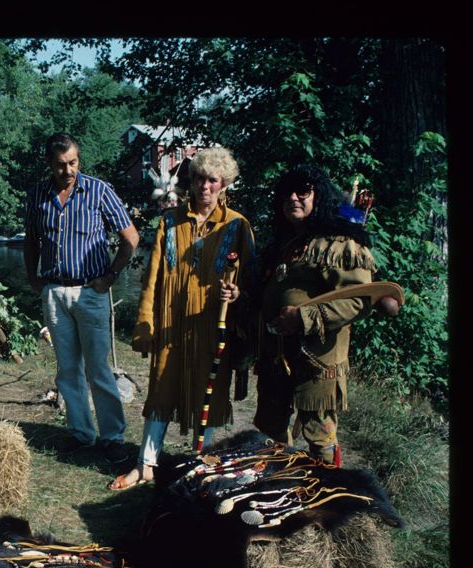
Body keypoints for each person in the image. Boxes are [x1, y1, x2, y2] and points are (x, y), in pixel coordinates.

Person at [112, 147, 255, 490]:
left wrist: (236, 296)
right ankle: (146, 465)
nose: (205, 186)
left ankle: (201, 465)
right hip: (171, 324)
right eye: (199, 179)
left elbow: (251, 281)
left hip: (213, 326)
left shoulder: (237, 226)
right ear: (191, 182)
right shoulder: (170, 220)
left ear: (224, 185)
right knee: (162, 388)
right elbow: (154, 276)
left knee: (210, 393)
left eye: (212, 180)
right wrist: (146, 322)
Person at [24, 133, 140, 465]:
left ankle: (113, 436)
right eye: (61, 165)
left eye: (73, 162)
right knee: (68, 368)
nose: (68, 170)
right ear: (50, 164)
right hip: (55, 292)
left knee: (99, 368)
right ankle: (80, 432)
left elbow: (130, 238)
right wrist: (35, 279)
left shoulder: (99, 191)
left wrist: (110, 276)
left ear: (79, 160)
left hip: (91, 290)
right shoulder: (38, 195)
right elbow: (31, 240)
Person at [251, 163, 376, 465]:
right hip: (276, 356)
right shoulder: (281, 245)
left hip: (316, 358)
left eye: (303, 191)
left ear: (318, 196)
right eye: (286, 193)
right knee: (271, 432)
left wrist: (304, 317)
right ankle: (280, 488)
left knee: (319, 435)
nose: (293, 198)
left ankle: (327, 501)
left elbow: (359, 299)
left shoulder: (339, 244)